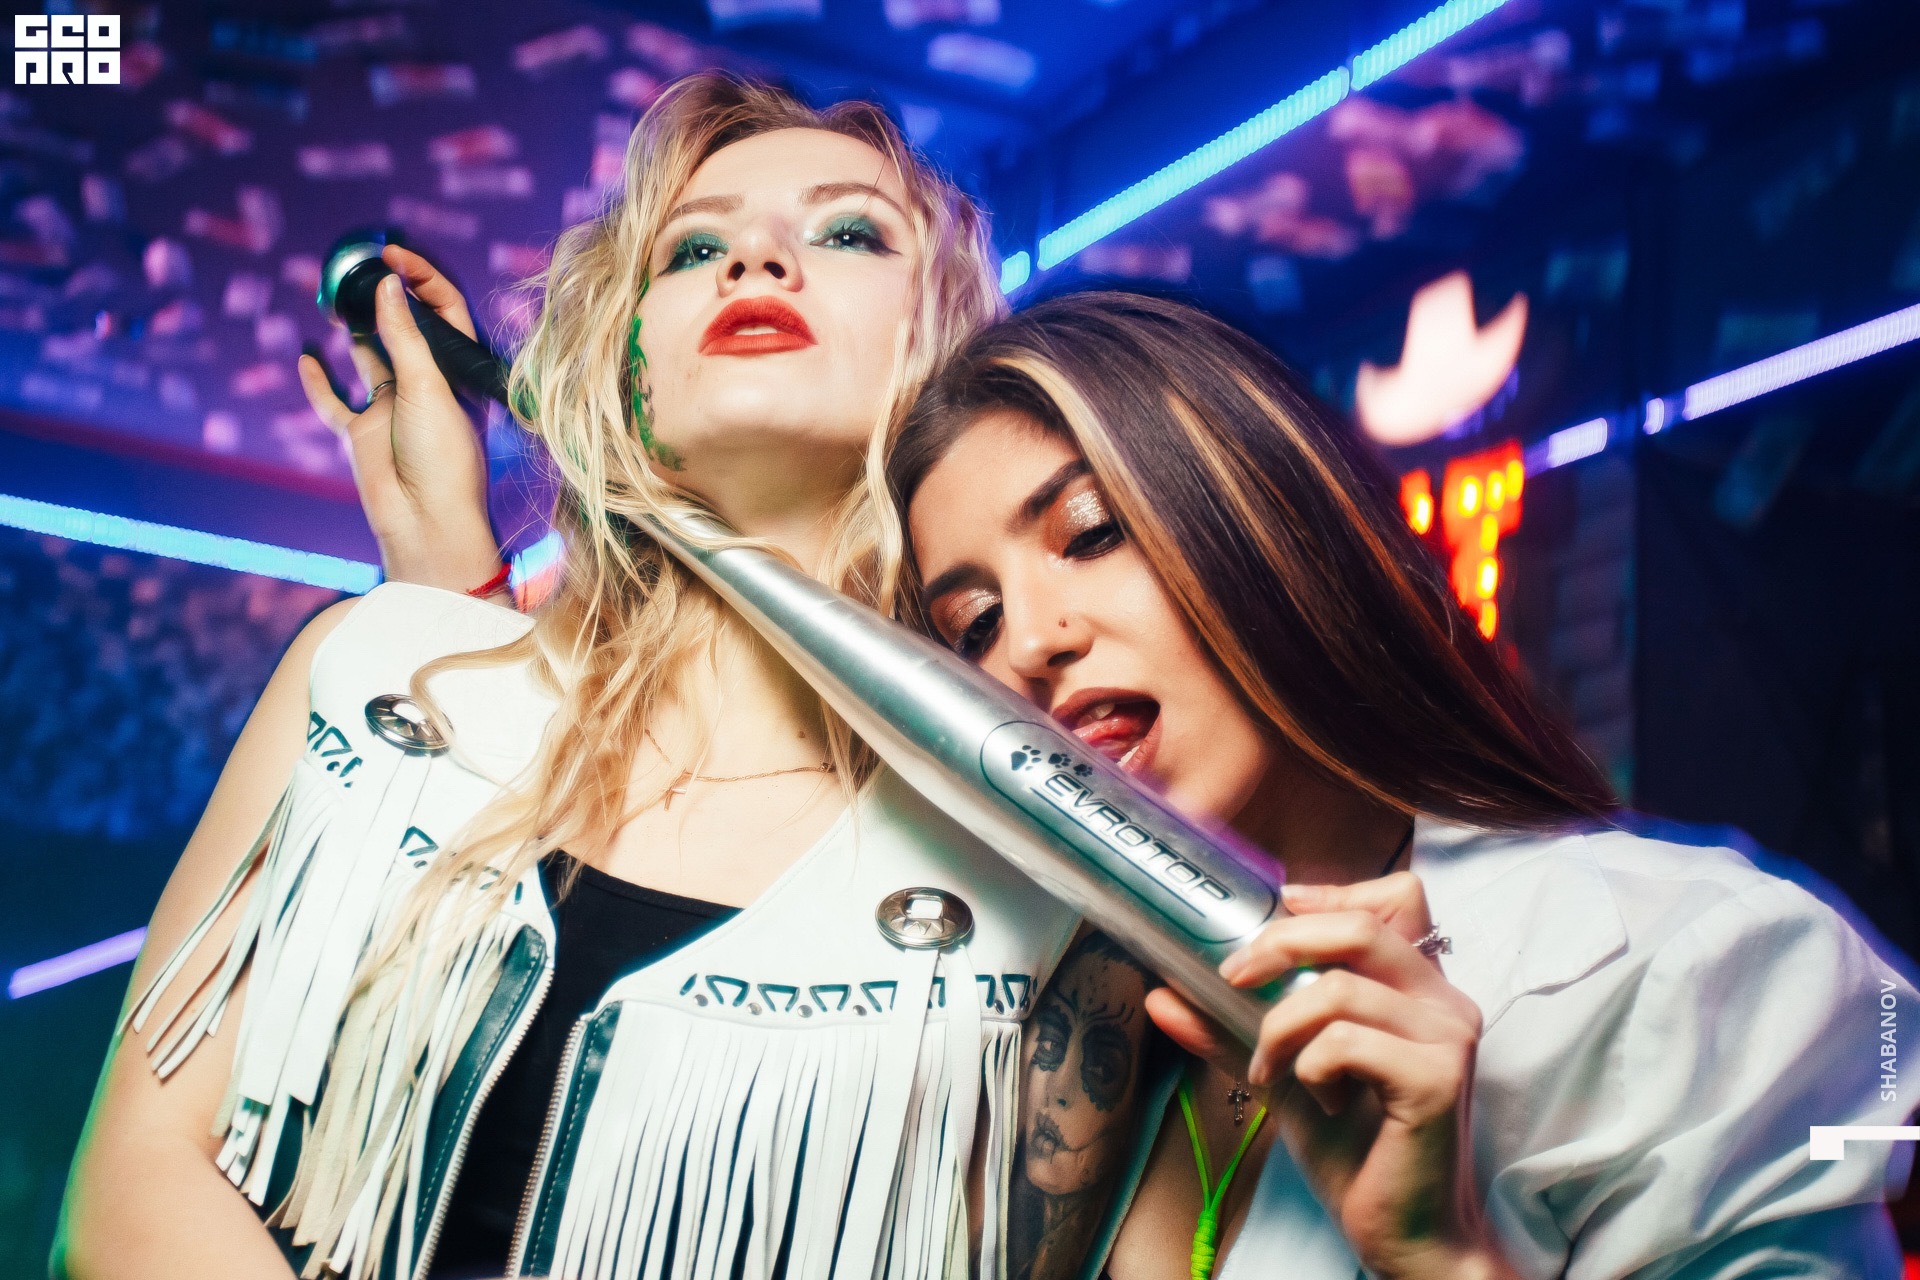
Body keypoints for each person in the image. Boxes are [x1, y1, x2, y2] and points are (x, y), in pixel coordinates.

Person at [54, 76, 1157, 1280]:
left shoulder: (1043, 885)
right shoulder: (366, 671)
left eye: (848, 232)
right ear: (624, 367)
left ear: (947, 347)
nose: (755, 259)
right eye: (694, 248)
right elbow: (131, 1190)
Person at [883, 291, 1916, 1279]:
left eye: (1090, 531)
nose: (1029, 641)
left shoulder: (1701, 964)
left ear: (1266, 518)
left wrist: (1443, 1257)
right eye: (974, 623)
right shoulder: (1049, 1028)